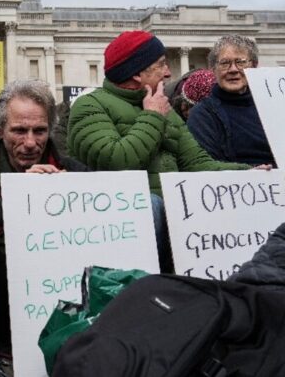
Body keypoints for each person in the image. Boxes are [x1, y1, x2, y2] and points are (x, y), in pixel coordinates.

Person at [67, 31, 256, 272]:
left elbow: (197, 164)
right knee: (153, 205)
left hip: (178, 227)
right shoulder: (90, 105)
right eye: (160, 65)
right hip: (123, 234)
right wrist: (152, 117)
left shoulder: (163, 106)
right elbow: (116, 159)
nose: (168, 72)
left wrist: (250, 172)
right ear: (136, 73)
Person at [0, 80, 87, 375]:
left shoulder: (72, 173)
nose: (30, 143)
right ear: (0, 130)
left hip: (57, 295)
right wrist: (18, 199)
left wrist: (60, 197)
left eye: (39, 131)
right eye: (19, 131)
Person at [187, 35, 276, 166]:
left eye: (240, 62)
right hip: (237, 184)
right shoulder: (202, 115)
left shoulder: (274, 106)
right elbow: (209, 165)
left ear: (254, 66)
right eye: (224, 63)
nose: (233, 69)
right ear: (213, 70)